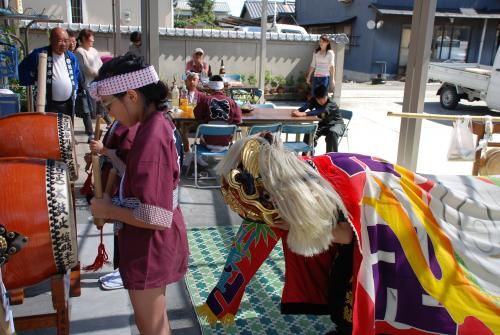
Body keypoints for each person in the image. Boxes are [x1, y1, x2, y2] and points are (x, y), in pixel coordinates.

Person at [89, 54, 189, 335]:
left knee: (152, 328)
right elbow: (138, 173)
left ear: (131, 95)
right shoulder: (155, 124)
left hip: (150, 246)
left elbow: (157, 216)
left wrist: (108, 211)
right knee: (156, 322)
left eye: (110, 105)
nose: (111, 114)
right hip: (149, 244)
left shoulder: (152, 134)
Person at [88, 120, 139, 290]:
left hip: (131, 189)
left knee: (129, 229)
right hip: (121, 180)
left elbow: (130, 163)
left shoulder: (134, 123)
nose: (106, 107)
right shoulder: (122, 119)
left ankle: (128, 272)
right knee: (121, 230)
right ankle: (121, 269)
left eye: (109, 103)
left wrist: (104, 150)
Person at [18, 27, 80, 118]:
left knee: (66, 130)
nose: (63, 44)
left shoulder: (71, 57)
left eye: (66, 41)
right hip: (46, 104)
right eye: (59, 41)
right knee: (48, 129)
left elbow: (76, 75)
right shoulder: (39, 54)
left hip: (68, 104)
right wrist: (35, 78)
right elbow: (22, 70)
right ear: (51, 40)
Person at [292, 85, 345, 153]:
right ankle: (306, 156)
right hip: (323, 125)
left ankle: (331, 157)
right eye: (318, 99)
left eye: (323, 98)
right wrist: (297, 111)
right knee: (309, 132)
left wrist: (304, 114)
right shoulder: (314, 100)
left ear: (327, 95)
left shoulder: (331, 103)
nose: (321, 101)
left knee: (332, 133)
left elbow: (321, 111)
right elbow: (305, 107)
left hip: (337, 125)